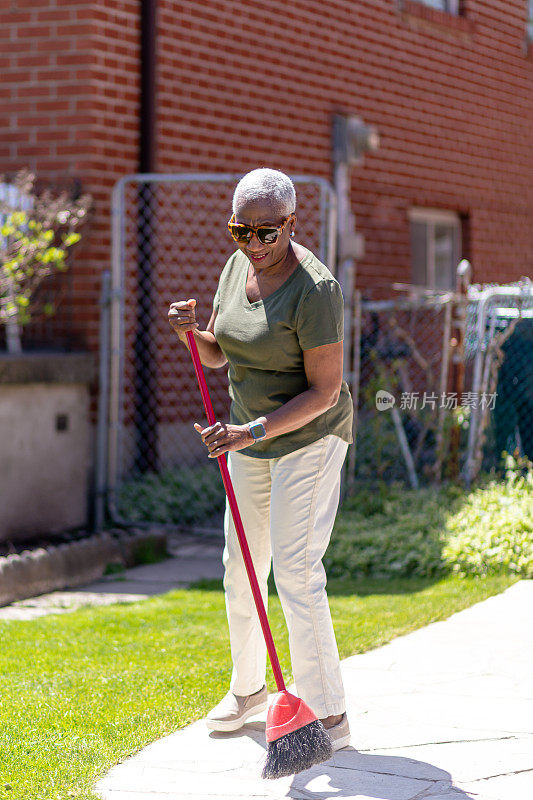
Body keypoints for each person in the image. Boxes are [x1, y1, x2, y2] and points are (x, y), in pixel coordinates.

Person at [168, 168, 353, 751]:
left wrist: (250, 431)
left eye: (265, 232)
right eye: (239, 230)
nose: (252, 243)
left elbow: (324, 391)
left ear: (292, 225)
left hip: (309, 438)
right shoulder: (236, 268)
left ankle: (328, 716)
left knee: (296, 572)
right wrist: (191, 334)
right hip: (245, 437)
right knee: (241, 566)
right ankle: (249, 690)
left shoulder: (316, 290)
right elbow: (222, 354)